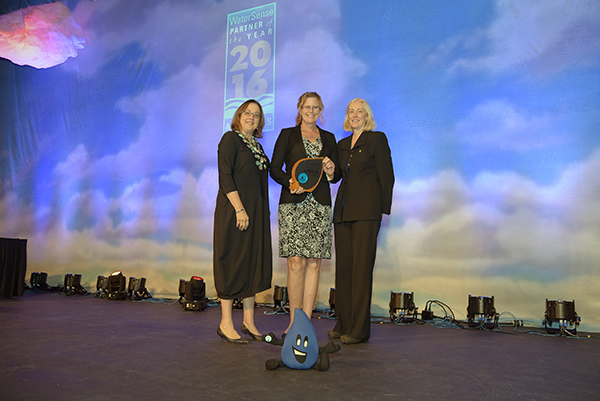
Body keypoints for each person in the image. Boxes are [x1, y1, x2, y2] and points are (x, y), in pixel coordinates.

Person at [328, 98, 394, 344]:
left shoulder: (377, 139)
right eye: (350, 111)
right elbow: (337, 178)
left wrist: (381, 210)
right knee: (344, 269)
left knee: (361, 269)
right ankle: (343, 322)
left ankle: (359, 329)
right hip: (343, 214)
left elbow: (387, 176)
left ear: (367, 116)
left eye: (359, 111)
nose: (355, 115)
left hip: (366, 213)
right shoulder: (342, 144)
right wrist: (330, 170)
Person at [270, 92, 337, 335]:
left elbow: (336, 174)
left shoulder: (329, 138)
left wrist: (331, 169)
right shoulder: (287, 135)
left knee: (314, 263)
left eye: (316, 107)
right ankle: (293, 322)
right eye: (307, 107)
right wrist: (289, 182)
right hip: (293, 205)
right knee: (296, 263)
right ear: (299, 109)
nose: (311, 111)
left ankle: (306, 323)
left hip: (319, 206)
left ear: (321, 110)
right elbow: (274, 168)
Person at [213, 99, 272, 344]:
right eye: (247, 113)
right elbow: (225, 176)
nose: (251, 117)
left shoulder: (256, 145)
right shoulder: (230, 139)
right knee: (232, 262)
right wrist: (239, 209)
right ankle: (226, 322)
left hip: (255, 212)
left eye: (256, 115)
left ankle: (249, 322)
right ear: (239, 116)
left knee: (250, 264)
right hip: (235, 210)